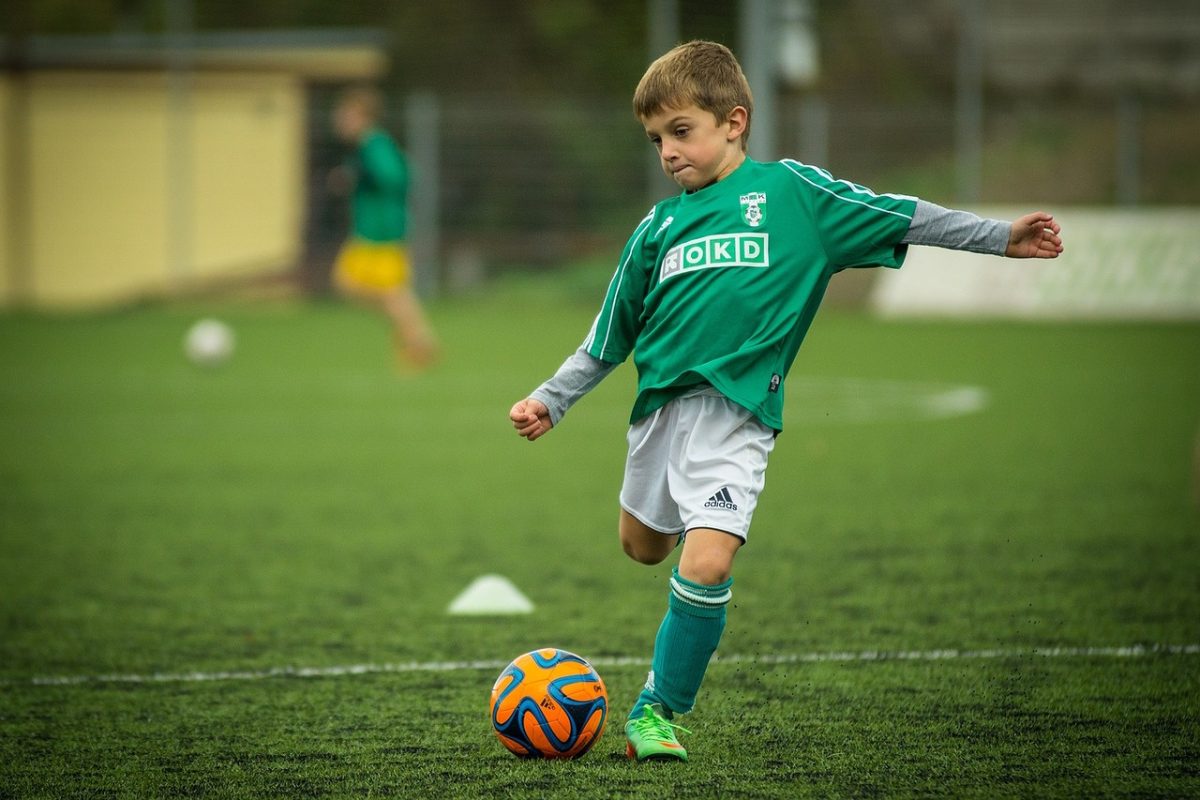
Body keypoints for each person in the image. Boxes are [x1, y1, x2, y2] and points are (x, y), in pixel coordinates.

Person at [508, 40, 1063, 764]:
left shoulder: (794, 196)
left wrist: (998, 237)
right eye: (656, 140)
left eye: (682, 131)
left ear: (734, 121)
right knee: (642, 547)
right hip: (658, 419)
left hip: (738, 420)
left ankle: (657, 711)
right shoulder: (656, 230)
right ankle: (689, 536)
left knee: (705, 565)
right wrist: (553, 401)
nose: (668, 152)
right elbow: (607, 336)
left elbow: (901, 214)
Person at [330, 86, 438, 369]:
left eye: (346, 115)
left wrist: (360, 175)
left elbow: (397, 176)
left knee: (387, 291)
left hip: (381, 231)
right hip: (371, 230)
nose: (340, 120)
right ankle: (415, 337)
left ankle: (418, 341)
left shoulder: (374, 144)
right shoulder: (368, 147)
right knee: (356, 286)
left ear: (363, 117)